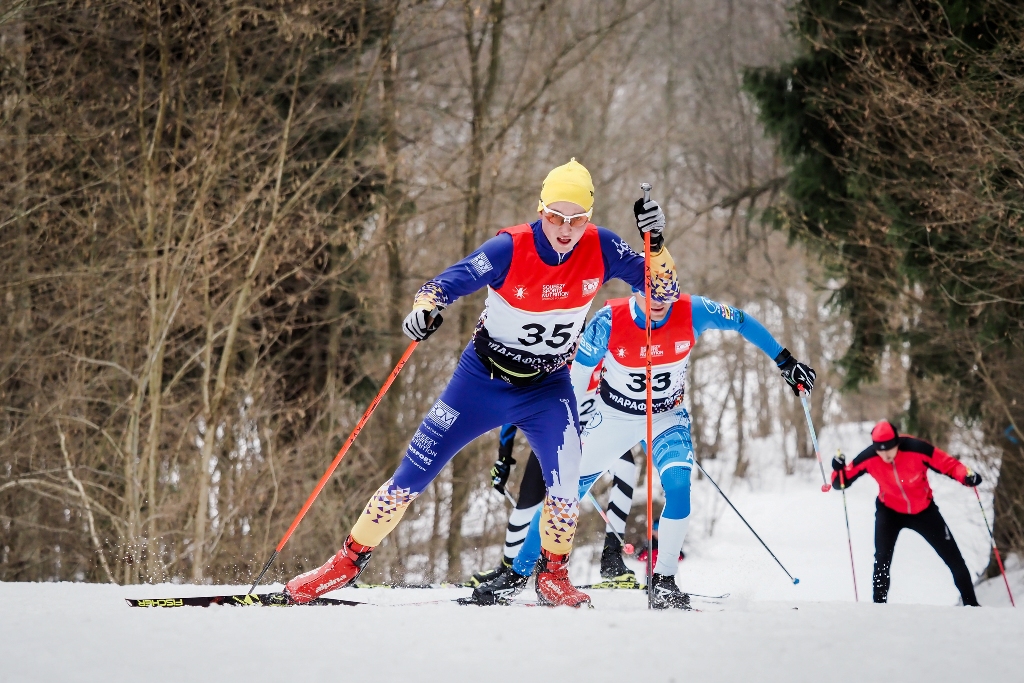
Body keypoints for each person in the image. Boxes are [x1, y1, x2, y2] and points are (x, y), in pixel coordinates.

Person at [279, 159, 680, 608]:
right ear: (540, 209)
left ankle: (552, 575)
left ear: (589, 217)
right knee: (410, 477)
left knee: (566, 485)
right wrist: (426, 307)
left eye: (577, 219)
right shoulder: (511, 247)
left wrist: (657, 245)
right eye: (555, 217)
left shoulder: (602, 247)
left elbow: (662, 291)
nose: (565, 229)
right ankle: (344, 565)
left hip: (547, 389)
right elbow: (450, 281)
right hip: (480, 381)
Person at [471, 286, 815, 608]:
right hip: (614, 418)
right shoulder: (608, 320)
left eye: (668, 294)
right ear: (636, 290)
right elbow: (577, 378)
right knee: (565, 494)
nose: (661, 303)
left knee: (679, 487)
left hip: (666, 416)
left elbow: (741, 320)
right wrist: (564, 424)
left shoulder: (692, 310)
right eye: (652, 295)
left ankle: (664, 581)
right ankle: (515, 574)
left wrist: (786, 361)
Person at [466, 421, 640, 589]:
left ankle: (611, 558)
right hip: (555, 434)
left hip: (598, 434)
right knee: (528, 501)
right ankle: (507, 569)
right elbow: (516, 403)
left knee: (625, 467)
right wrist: (504, 458)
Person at [831, 420, 983, 606]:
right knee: (881, 560)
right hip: (890, 511)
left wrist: (966, 476)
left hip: (924, 511)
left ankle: (972, 605)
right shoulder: (869, 457)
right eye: (880, 449)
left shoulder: (917, 449)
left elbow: (949, 465)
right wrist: (837, 469)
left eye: (889, 448)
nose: (885, 454)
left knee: (954, 558)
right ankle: (878, 607)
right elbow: (840, 482)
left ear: (897, 443)